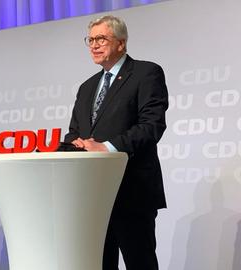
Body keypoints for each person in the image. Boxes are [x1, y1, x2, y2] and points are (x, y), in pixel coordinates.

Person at [64, 15, 168, 269]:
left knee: (139, 262)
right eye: (90, 40)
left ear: (121, 43)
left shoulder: (146, 73)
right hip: (93, 194)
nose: (94, 45)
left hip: (132, 189)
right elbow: (74, 132)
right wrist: (71, 145)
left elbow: (151, 126)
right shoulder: (87, 87)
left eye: (101, 39)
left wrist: (107, 147)